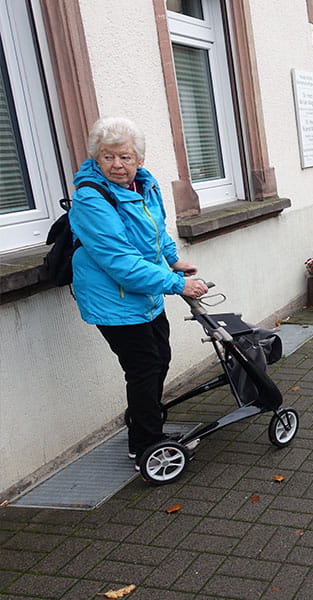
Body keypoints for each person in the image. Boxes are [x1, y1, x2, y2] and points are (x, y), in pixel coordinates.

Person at [69, 117, 209, 468]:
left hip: (145, 295)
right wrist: (177, 284)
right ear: (96, 159)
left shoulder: (143, 186)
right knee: (144, 368)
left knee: (159, 358)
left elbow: (157, 232)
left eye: (125, 157)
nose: (117, 165)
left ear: (139, 160)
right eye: (108, 157)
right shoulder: (91, 198)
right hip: (113, 300)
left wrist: (174, 262)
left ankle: (143, 426)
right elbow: (120, 262)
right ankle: (145, 444)